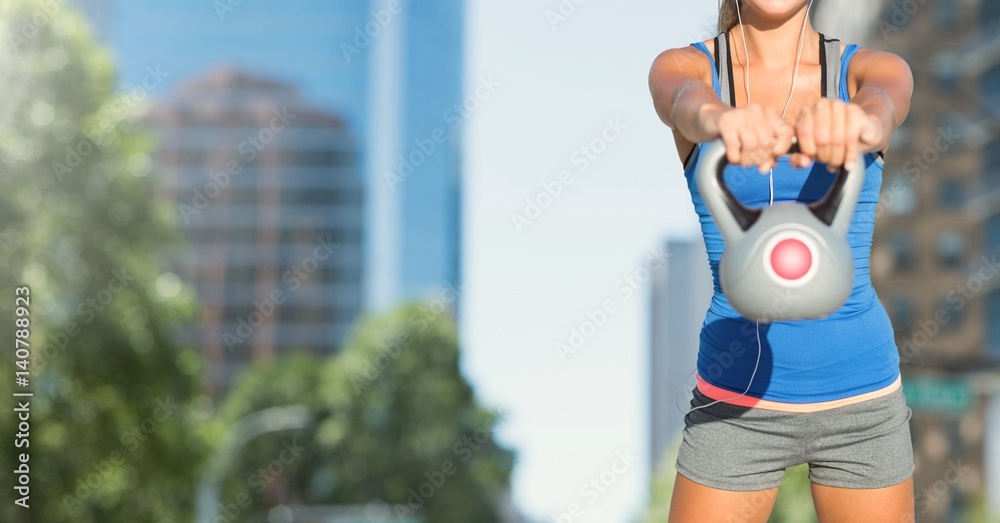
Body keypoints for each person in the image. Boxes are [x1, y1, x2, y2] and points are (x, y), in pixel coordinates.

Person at [647, 1, 915, 521]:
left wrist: (856, 122)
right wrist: (720, 120)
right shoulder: (688, 68)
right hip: (734, 400)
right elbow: (683, 100)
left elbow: (884, 106)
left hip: (863, 401)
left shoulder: (869, 70)